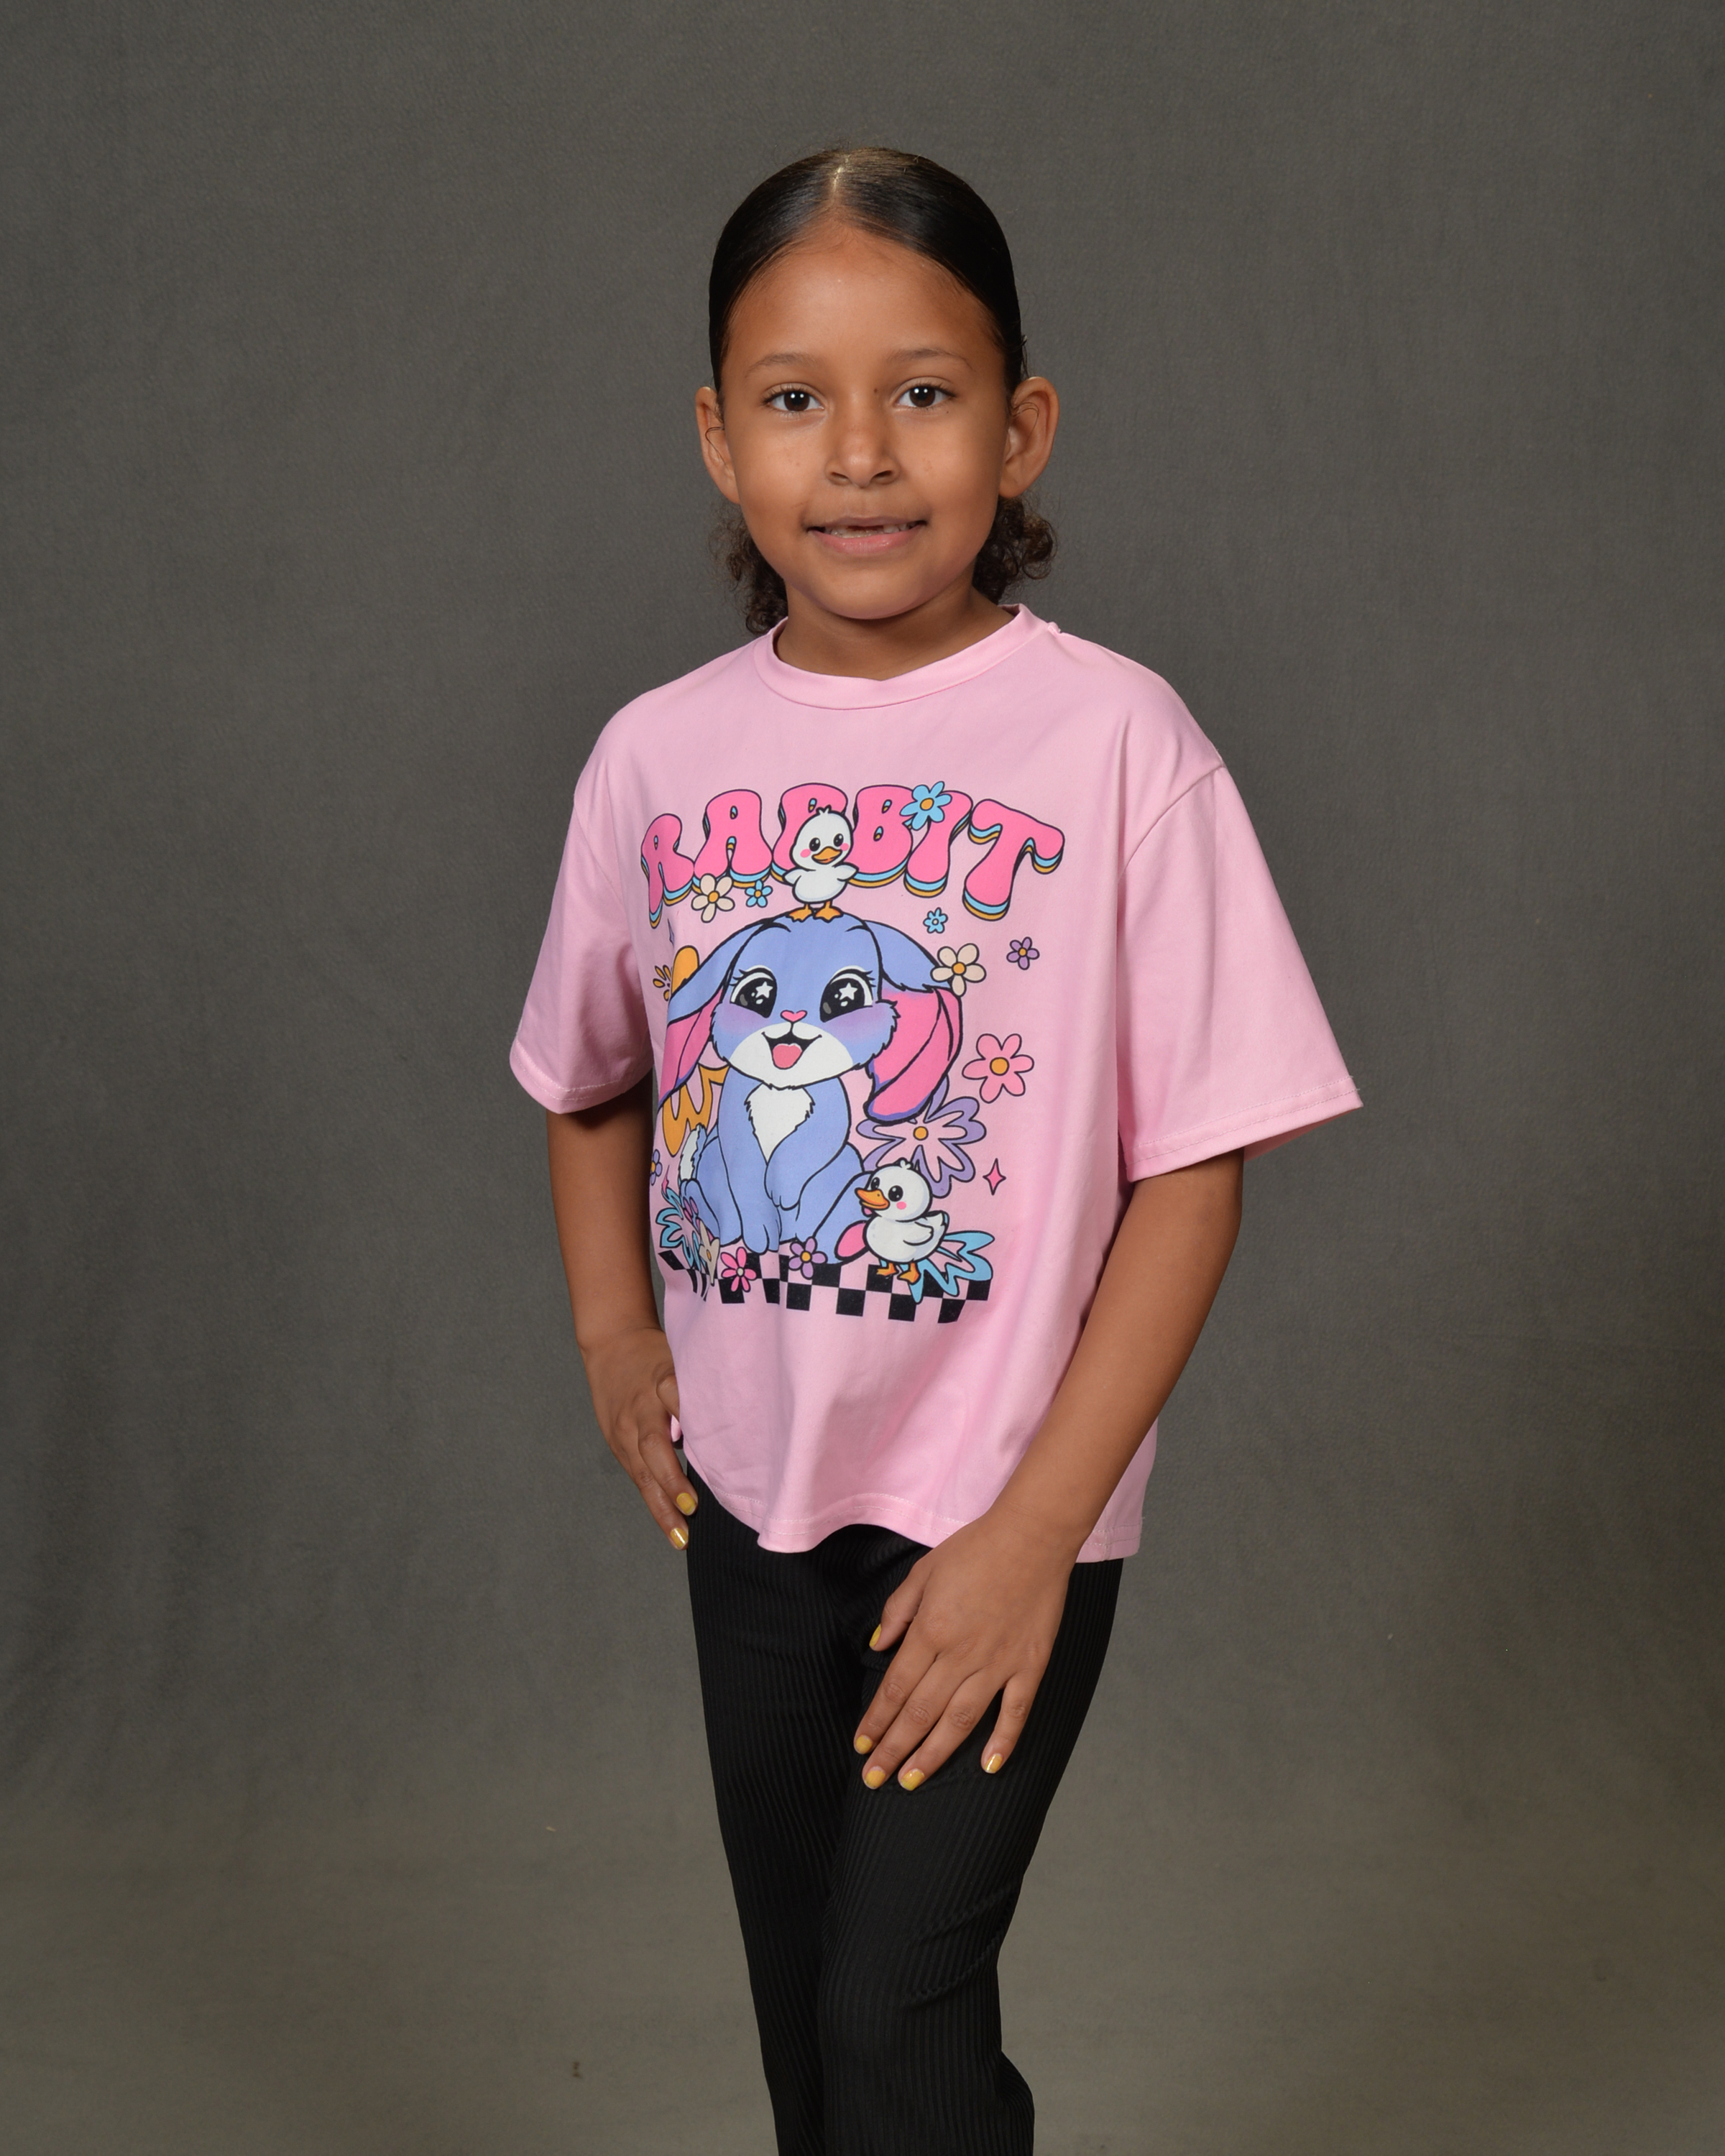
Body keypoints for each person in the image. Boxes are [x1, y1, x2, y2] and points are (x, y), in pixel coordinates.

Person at [511, 147, 1360, 2156]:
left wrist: (1037, 1533)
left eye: (923, 390)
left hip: (1000, 1506)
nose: (861, 454)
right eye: (794, 398)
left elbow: (1195, 1168)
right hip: (749, 1506)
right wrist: (613, 1333)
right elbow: (592, 1074)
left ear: (1020, 426)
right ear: (719, 440)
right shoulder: (655, 757)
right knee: (815, 2033)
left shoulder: (1119, 743)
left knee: (896, 2011)